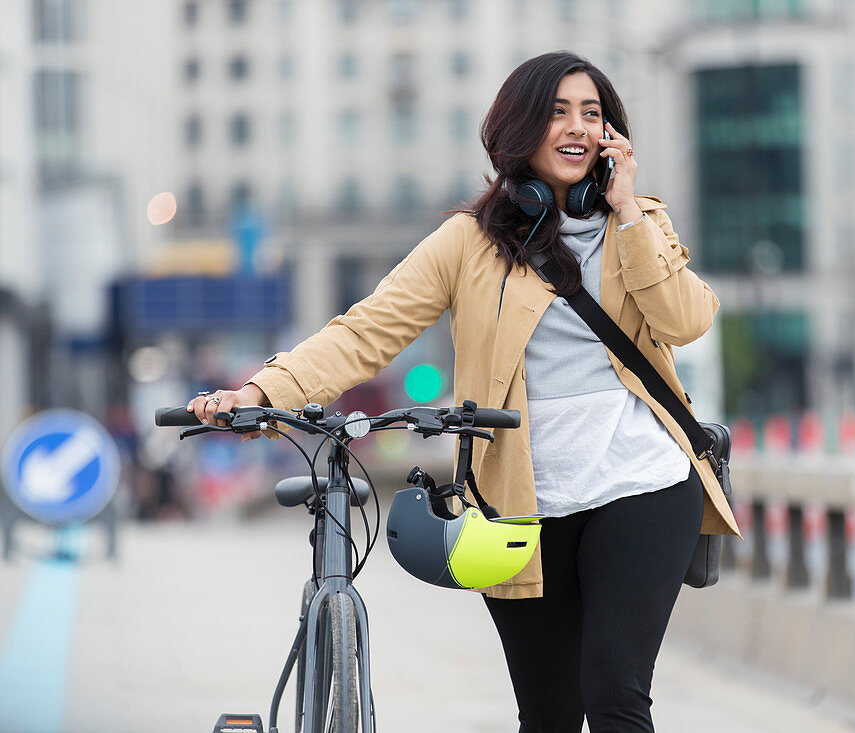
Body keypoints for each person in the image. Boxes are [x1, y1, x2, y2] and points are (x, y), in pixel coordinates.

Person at [188, 51, 739, 733]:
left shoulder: (642, 224)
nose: (577, 127)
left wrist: (627, 213)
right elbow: (366, 332)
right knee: (547, 715)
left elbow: (687, 319)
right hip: (519, 506)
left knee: (616, 693)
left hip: (644, 486)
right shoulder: (467, 244)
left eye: (592, 114)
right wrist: (259, 392)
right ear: (520, 129)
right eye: (558, 112)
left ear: (611, 136)